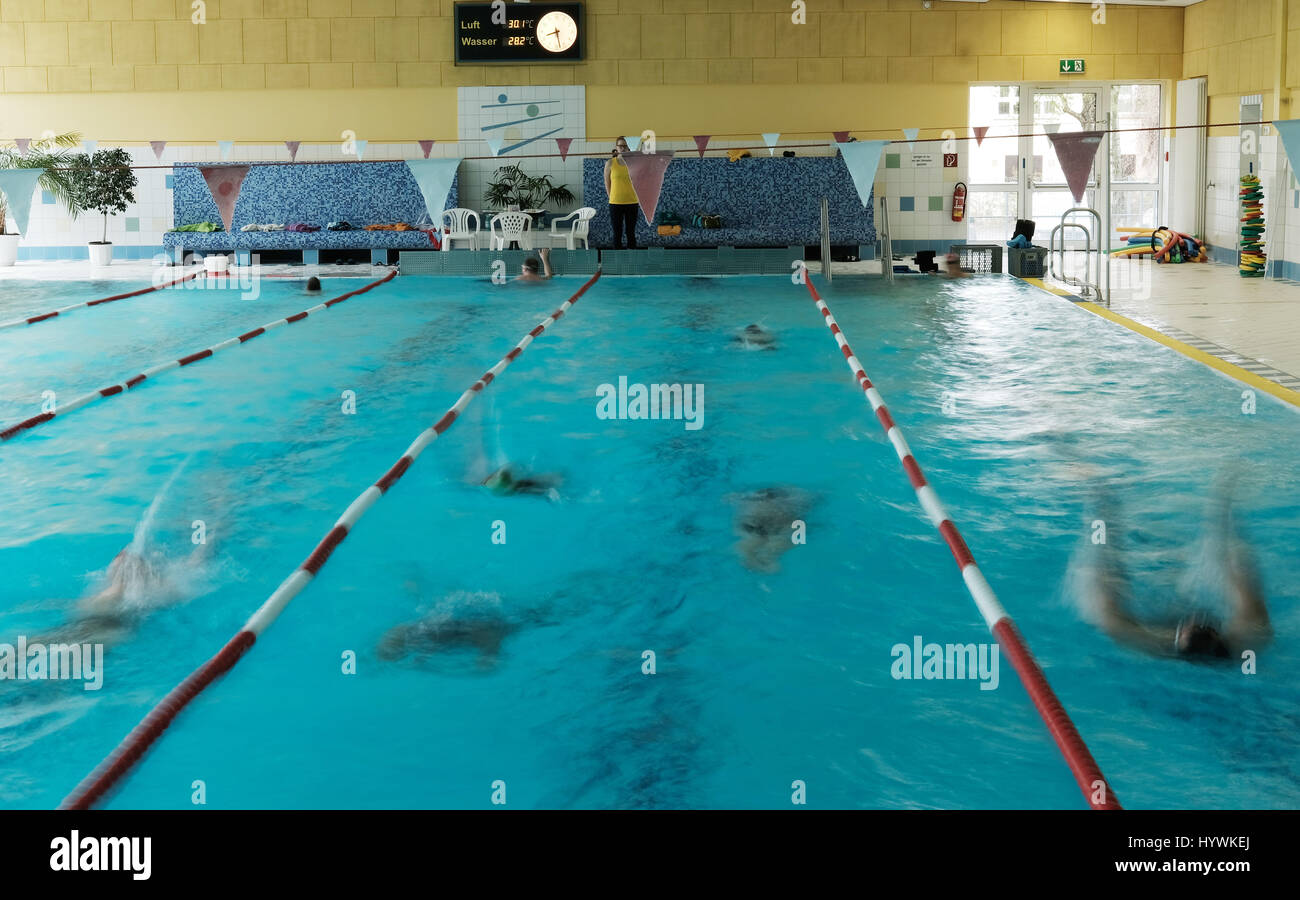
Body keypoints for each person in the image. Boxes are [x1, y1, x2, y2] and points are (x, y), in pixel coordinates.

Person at [1074, 490, 1271, 662]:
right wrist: (1224, 508)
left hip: (1153, 625)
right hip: (1207, 643)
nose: (1197, 617)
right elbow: (1242, 572)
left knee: (1108, 582)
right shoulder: (1250, 638)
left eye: (1195, 625)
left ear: (1178, 637)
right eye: (1206, 625)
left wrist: (1102, 520)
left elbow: (1103, 595)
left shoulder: (1146, 641)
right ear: (1218, 635)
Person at [604, 137, 640, 250]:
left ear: (629, 148)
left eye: (625, 146)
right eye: (621, 146)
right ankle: (617, 262)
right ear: (616, 148)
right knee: (617, 233)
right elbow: (607, 183)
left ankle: (632, 260)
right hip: (615, 203)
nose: (623, 148)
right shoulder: (610, 163)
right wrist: (612, 198)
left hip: (632, 202)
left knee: (630, 233)